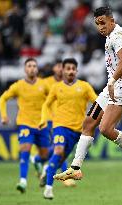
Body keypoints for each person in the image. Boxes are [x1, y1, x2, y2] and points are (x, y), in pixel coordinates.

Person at [53, 6, 122, 183]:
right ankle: (75, 168)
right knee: (88, 122)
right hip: (112, 85)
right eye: (97, 24)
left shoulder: (117, 36)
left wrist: (112, 81)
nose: (100, 27)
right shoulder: (110, 35)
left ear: (112, 21)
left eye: (103, 23)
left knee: (105, 129)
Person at [38, 58, 97, 199]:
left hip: (77, 131)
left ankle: (47, 170)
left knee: (60, 159)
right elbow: (46, 104)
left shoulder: (84, 86)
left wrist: (93, 121)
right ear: (63, 71)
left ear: (76, 71)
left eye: (73, 69)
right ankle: (48, 189)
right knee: (58, 151)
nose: (70, 71)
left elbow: (97, 103)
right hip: (60, 126)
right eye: (68, 68)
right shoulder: (56, 87)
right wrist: (43, 120)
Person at [0, 58, 50, 193]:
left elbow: (54, 98)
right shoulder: (18, 86)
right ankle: (23, 181)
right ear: (25, 69)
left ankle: (37, 161)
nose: (32, 68)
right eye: (29, 66)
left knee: (44, 155)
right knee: (25, 148)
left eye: (34, 66)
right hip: (25, 123)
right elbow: (2, 99)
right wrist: (4, 116)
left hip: (42, 125)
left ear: (37, 69)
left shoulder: (44, 85)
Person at [30, 59, 70, 186]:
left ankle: (37, 160)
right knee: (60, 147)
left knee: (57, 149)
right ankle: (65, 176)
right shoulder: (46, 83)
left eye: (62, 67)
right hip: (50, 121)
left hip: (64, 120)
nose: (60, 69)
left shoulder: (68, 84)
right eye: (58, 66)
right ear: (53, 69)